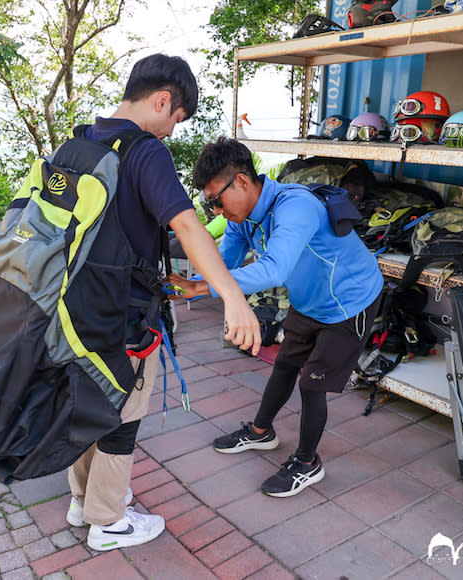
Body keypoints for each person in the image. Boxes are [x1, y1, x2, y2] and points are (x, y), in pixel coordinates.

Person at [65, 56, 261, 550]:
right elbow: (187, 225)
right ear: (163, 100)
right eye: (176, 118)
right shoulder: (144, 151)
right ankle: (108, 521)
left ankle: (82, 498)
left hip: (72, 306)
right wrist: (233, 298)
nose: (173, 131)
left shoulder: (78, 141)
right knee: (122, 411)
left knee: (84, 402)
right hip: (123, 316)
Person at [167, 137, 383, 498]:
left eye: (216, 201)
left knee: (312, 383)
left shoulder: (295, 206)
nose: (216, 211)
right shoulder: (242, 218)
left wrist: (202, 290)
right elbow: (226, 264)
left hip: (350, 302)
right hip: (309, 301)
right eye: (209, 206)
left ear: (241, 181)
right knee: (285, 365)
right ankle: (260, 431)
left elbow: (274, 270)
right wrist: (192, 282)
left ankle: (307, 462)